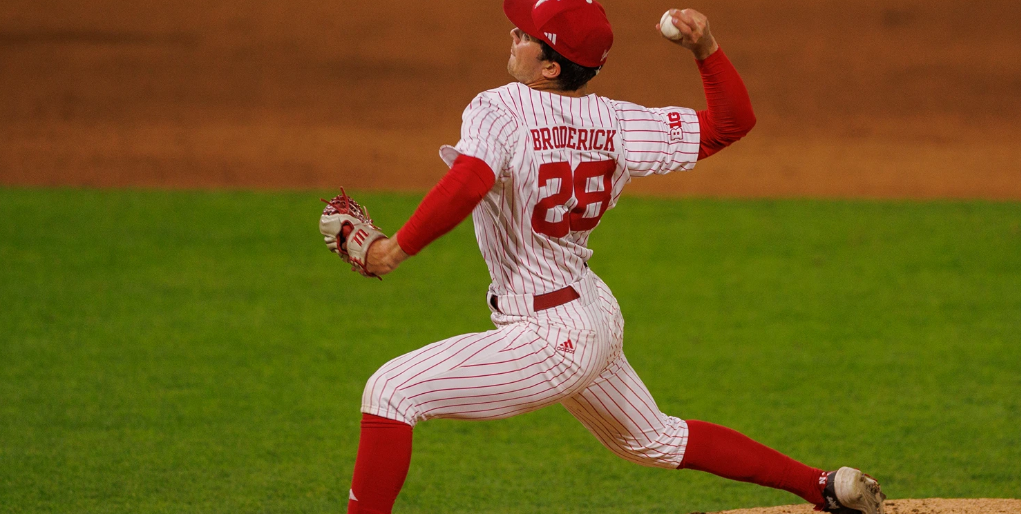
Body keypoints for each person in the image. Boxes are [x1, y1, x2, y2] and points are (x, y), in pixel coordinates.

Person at [338, 2, 886, 513]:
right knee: (655, 439)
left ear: (551, 66)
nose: (513, 33)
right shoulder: (619, 123)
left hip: (546, 336)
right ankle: (824, 485)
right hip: (592, 311)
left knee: (392, 391)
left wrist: (391, 251)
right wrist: (705, 48)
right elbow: (731, 123)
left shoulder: (499, 107)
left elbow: (469, 180)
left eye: (525, 35)